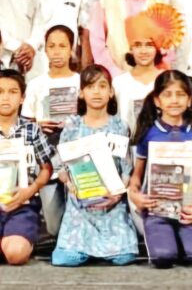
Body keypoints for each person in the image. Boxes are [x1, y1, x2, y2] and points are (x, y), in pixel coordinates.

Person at [0, 70, 54, 266]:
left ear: (22, 98)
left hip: (22, 205)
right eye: (0, 92)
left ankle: (11, 243)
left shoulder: (32, 130)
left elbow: (47, 168)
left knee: (16, 255)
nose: (6, 97)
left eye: (13, 92)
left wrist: (31, 190)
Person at [52, 65, 137, 266]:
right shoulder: (72, 126)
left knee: (124, 257)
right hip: (80, 203)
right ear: (81, 93)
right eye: (90, 87)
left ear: (111, 92)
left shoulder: (119, 126)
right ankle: (84, 248)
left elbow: (126, 168)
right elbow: (61, 167)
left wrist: (116, 195)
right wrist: (71, 186)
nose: (96, 92)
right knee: (65, 259)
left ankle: (106, 247)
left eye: (102, 86)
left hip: (112, 201)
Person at [128, 70, 192, 269]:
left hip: (188, 211)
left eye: (180, 94)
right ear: (157, 101)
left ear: (189, 100)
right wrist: (135, 195)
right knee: (163, 258)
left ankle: (183, 241)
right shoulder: (148, 133)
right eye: (167, 94)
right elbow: (136, 177)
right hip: (157, 211)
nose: (174, 100)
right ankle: (171, 241)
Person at [20, 25, 80, 236]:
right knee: (54, 227)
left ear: (71, 49)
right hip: (47, 157)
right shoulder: (36, 84)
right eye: (51, 46)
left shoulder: (81, 81)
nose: (56, 51)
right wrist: (38, 126)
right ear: (44, 49)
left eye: (62, 46)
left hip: (77, 155)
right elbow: (24, 125)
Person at [89, 0, 170, 77]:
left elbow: (169, 43)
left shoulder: (160, 0)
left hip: (155, 76)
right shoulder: (106, 1)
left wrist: (160, 73)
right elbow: (97, 43)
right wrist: (115, 74)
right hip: (117, 76)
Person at [113, 13, 164, 138]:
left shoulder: (166, 80)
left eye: (149, 45)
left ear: (157, 48)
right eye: (137, 45)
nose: (143, 51)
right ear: (130, 48)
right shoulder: (119, 83)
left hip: (161, 145)